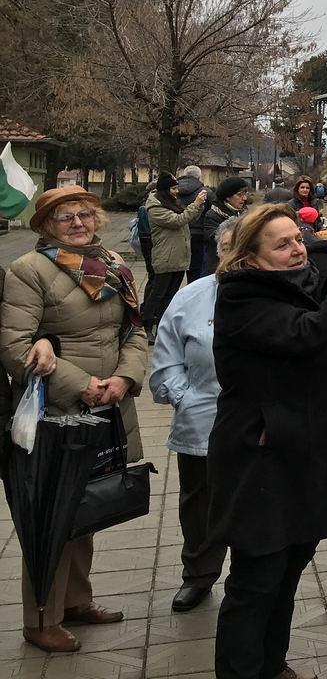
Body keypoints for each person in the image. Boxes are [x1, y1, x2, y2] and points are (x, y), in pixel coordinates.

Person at [209, 204, 327, 679]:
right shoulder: (241, 297)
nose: (298, 249)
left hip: (306, 454)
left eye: (298, 238)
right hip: (262, 460)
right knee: (256, 582)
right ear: (250, 258)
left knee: (288, 572)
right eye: (283, 244)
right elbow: (306, 332)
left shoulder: (299, 280)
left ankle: (273, 666)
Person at [0, 186, 150, 653]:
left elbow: (134, 330)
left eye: (85, 213)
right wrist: (81, 384)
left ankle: (76, 601)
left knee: (86, 508)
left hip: (108, 405)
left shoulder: (109, 263)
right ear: (45, 226)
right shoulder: (30, 270)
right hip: (58, 414)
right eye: (64, 217)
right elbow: (14, 348)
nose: (78, 223)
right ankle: (40, 619)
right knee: (51, 514)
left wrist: (124, 378)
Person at [150, 214, 240, 613]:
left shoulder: (279, 297)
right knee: (198, 504)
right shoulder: (191, 296)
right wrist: (184, 397)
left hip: (261, 427)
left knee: (253, 503)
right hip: (201, 420)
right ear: (217, 251)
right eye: (226, 249)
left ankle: (249, 577)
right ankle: (199, 575)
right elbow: (166, 359)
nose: (234, 258)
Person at [143, 173, 208, 339]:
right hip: (166, 256)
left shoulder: (172, 203)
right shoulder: (155, 208)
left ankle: (163, 326)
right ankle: (146, 325)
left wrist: (198, 207)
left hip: (180, 256)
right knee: (158, 294)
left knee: (171, 295)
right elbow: (178, 220)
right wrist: (195, 204)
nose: (176, 192)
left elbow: (188, 220)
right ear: (165, 190)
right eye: (173, 188)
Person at [202, 176, 249, 275]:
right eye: (240, 195)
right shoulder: (212, 215)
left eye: (245, 194)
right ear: (227, 196)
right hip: (219, 267)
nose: (244, 198)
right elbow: (216, 239)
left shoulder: (246, 214)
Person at [178, 166, 207, 282]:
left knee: (177, 271)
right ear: (199, 176)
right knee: (197, 269)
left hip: (178, 234)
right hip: (199, 234)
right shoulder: (205, 192)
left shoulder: (174, 191)